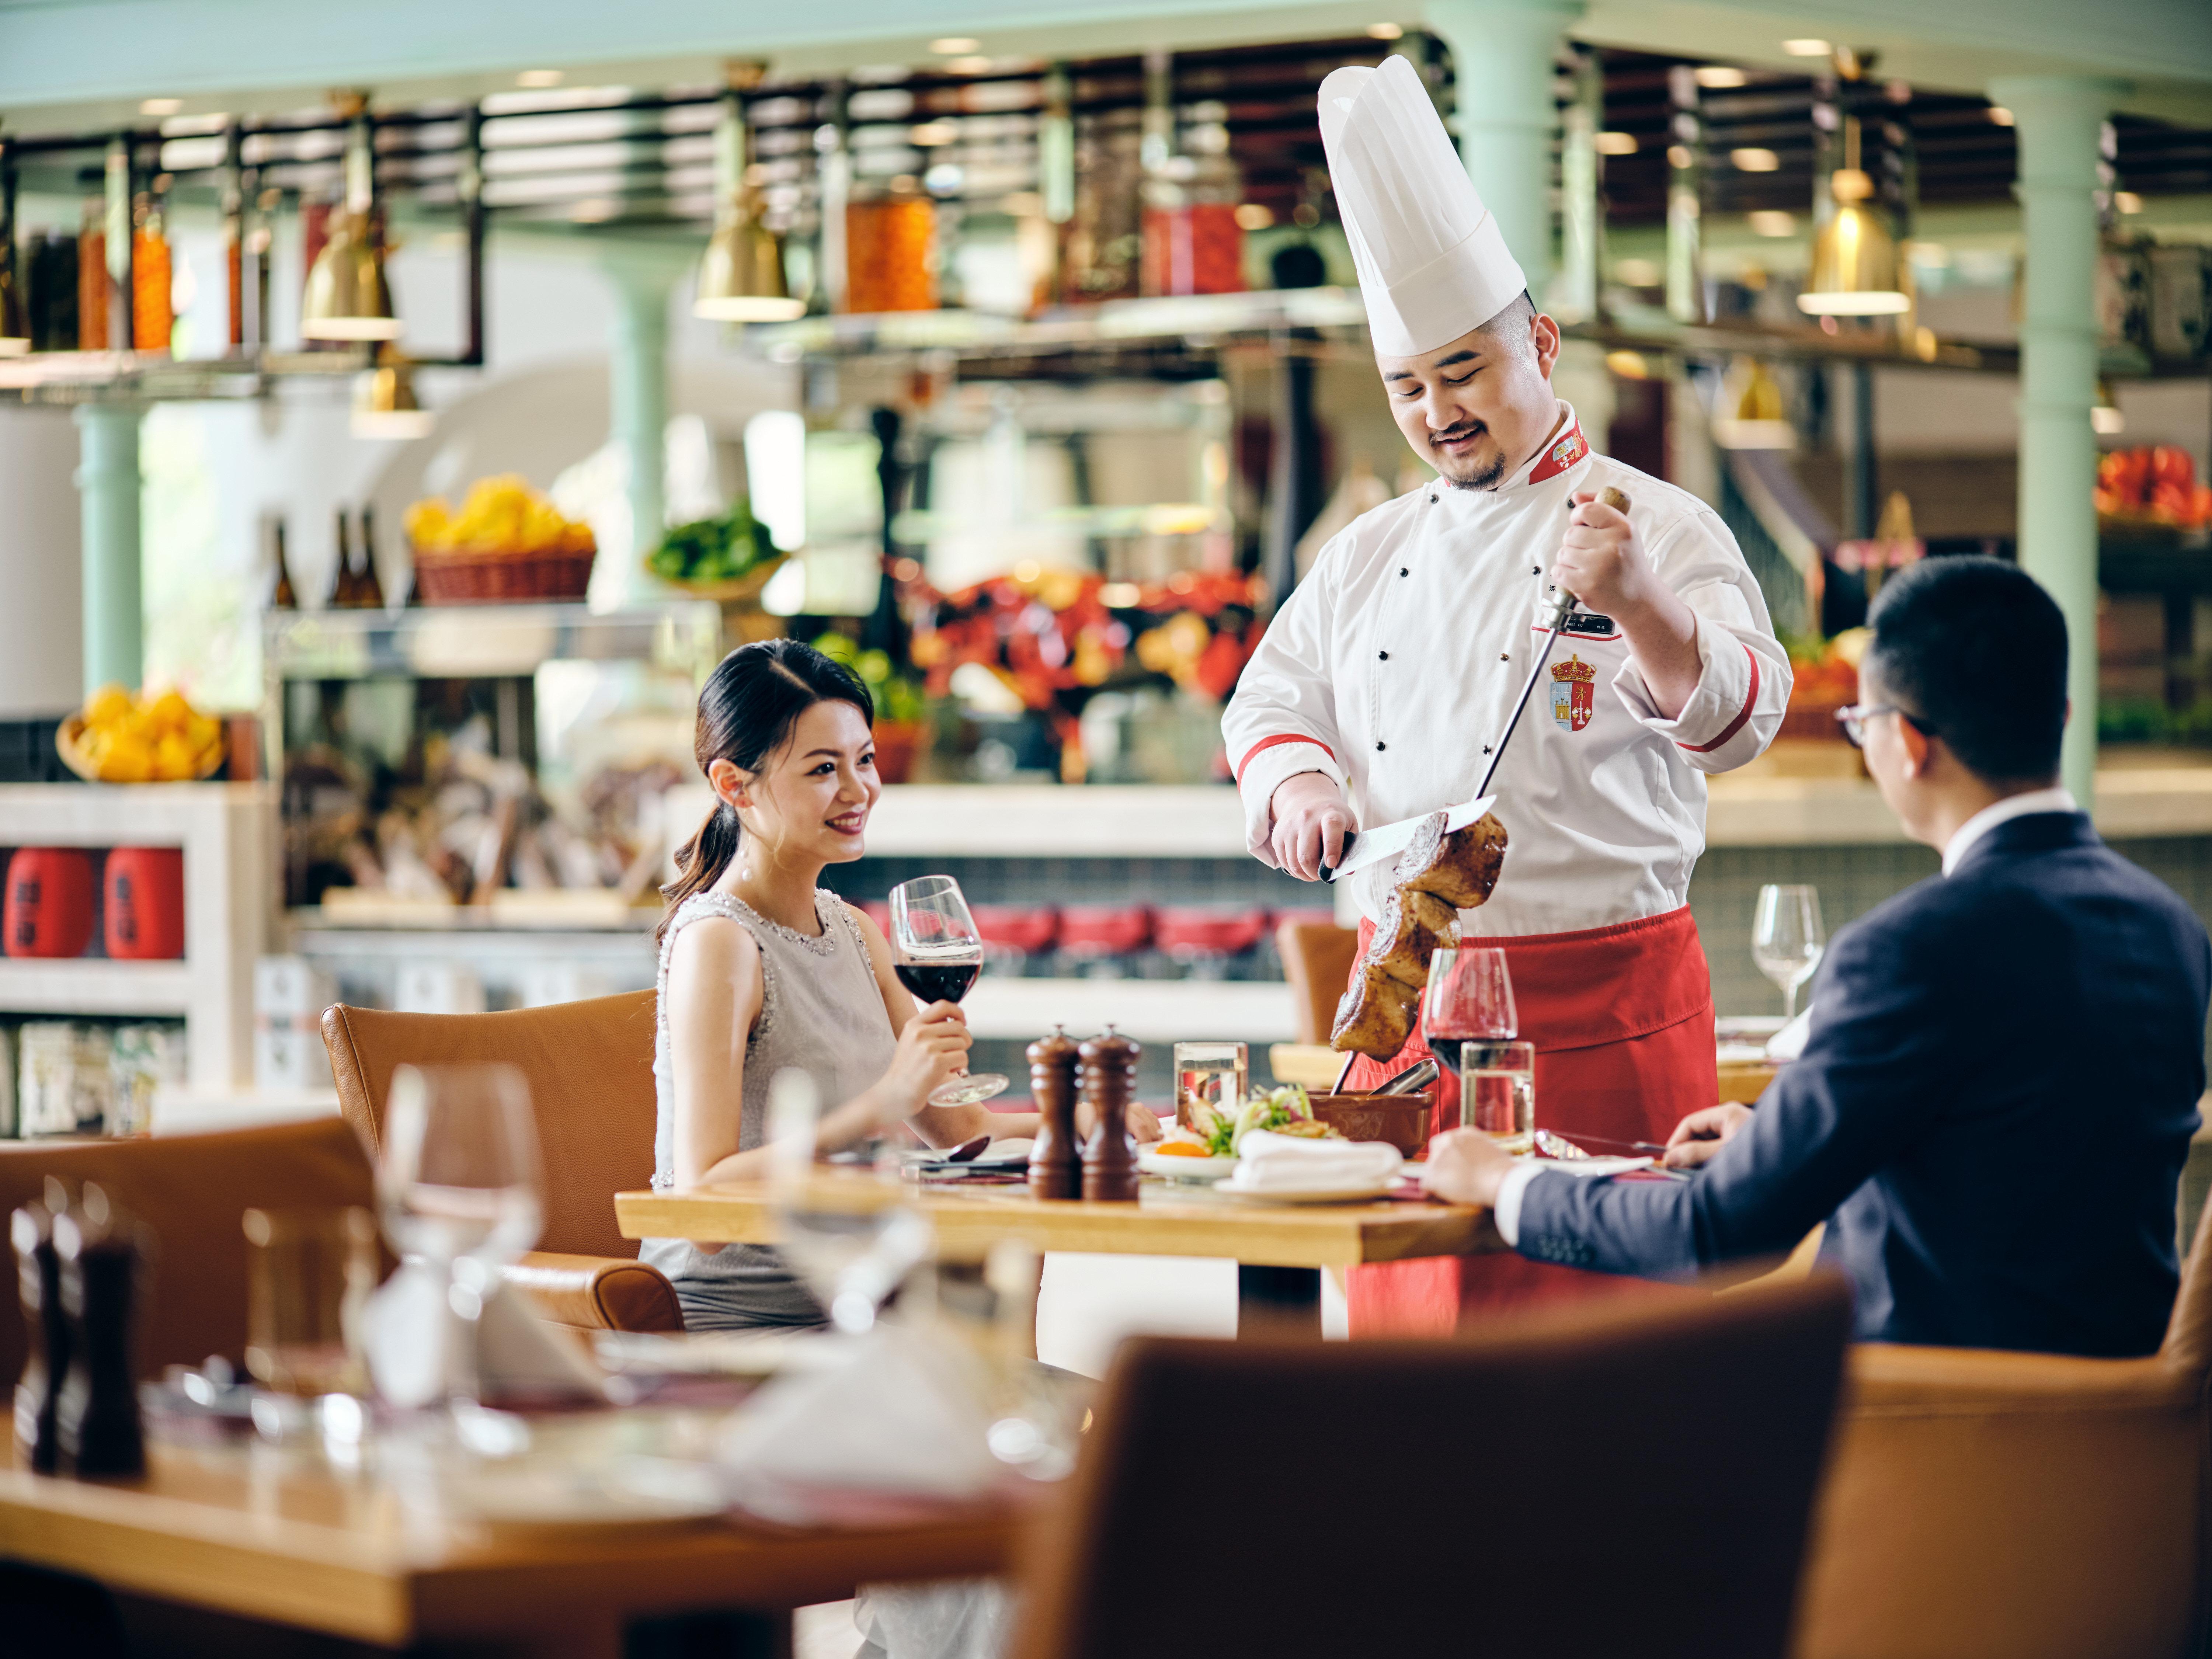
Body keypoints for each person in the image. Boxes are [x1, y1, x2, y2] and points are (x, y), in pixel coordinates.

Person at [1222, 53, 1790, 1331]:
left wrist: (1642, 598)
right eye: (1410, 387)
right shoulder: (1365, 551)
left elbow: (1748, 715)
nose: (1439, 410)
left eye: (1465, 370)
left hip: (1609, 1008)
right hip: (1409, 1011)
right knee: (1416, 1362)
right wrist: (1296, 774)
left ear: (1537, 342)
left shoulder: (1657, 518)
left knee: (1614, 1369)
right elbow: (1269, 700)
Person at [1425, 557, 2211, 1355]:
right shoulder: (2170, 926)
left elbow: (1712, 1232)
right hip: (2132, 1441)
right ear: (2064, 715)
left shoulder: (1907, 950)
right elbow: (2018, 1157)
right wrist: (1778, 1144)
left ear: (1904, 743)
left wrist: (1505, 1183)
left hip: (1922, 1439)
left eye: (1858, 722)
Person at [643, 639, 1156, 1333]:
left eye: (865, 760)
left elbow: (957, 1132)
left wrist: (1087, 1118)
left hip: (860, 1301)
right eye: (824, 769)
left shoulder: (853, 928)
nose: (859, 791)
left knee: (1092, 1407)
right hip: (745, 1324)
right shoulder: (720, 944)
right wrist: (886, 1101)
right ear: (734, 785)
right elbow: (704, 1200)